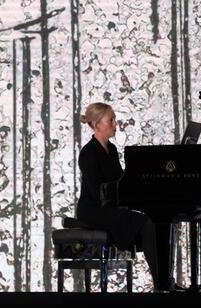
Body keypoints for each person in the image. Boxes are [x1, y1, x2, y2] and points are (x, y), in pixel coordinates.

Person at [77, 102, 172, 291]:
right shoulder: (88, 154)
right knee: (146, 223)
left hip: (109, 207)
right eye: (110, 120)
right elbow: (98, 192)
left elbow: (120, 181)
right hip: (93, 210)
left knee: (157, 221)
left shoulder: (111, 150)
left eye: (114, 119)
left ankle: (164, 280)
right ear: (96, 125)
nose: (115, 124)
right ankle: (160, 285)